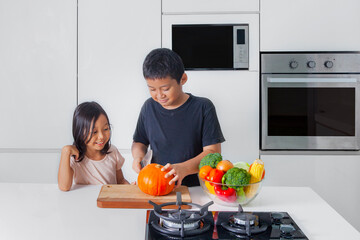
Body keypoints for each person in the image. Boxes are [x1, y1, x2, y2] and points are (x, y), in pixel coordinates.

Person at [132, 48, 225, 187]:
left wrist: (184, 169)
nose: (159, 95)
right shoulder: (148, 107)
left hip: (196, 188)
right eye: (152, 89)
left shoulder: (203, 107)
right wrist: (138, 157)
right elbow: (139, 142)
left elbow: (213, 153)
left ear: (183, 79)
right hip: (158, 188)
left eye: (165, 89)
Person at [58, 101, 129, 191]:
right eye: (94, 132)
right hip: (84, 202)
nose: (101, 136)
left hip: (107, 202)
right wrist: (66, 151)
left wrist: (129, 187)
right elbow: (64, 187)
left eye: (106, 129)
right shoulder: (75, 157)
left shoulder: (112, 151)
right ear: (79, 132)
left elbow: (120, 180)